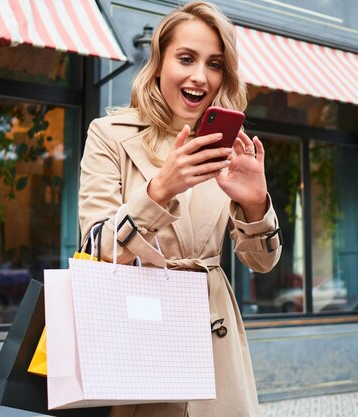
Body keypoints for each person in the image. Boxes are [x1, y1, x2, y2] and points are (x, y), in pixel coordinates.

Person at [78, 2, 282, 417]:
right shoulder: (109, 135)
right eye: (186, 58)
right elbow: (96, 247)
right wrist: (160, 189)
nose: (199, 76)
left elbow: (261, 264)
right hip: (139, 335)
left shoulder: (231, 146)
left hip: (215, 341)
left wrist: (255, 203)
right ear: (158, 64)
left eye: (214, 64)